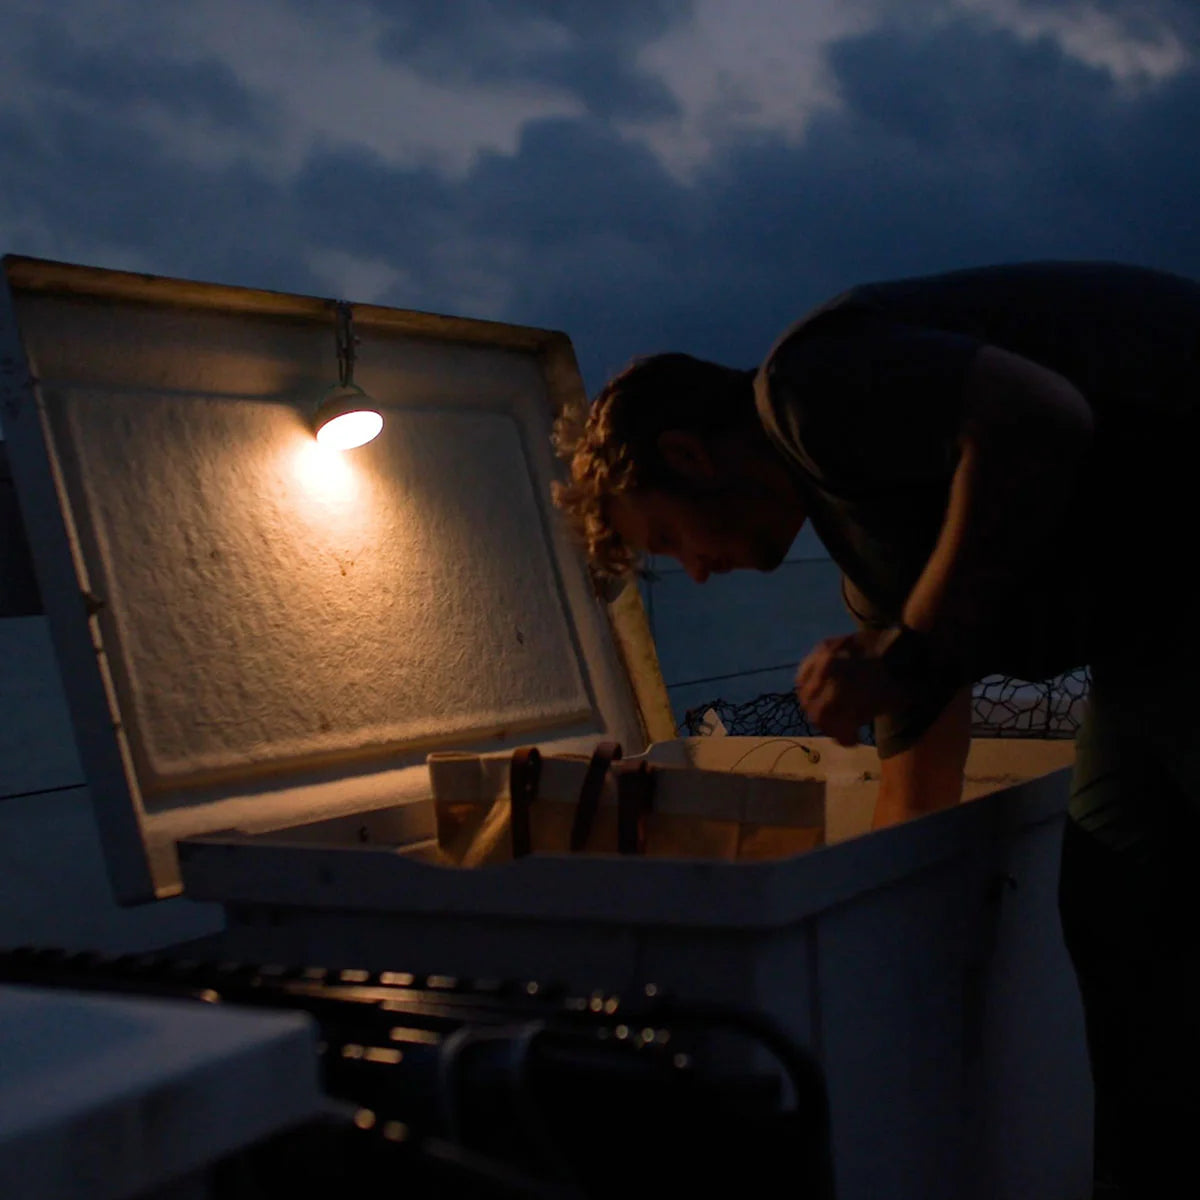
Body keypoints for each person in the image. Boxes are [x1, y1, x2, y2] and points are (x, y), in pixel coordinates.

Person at [551, 261, 1200, 1199]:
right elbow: (915, 788)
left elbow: (1039, 418)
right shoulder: (874, 571)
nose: (692, 574)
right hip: (1148, 644)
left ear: (691, 457)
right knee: (1113, 913)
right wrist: (868, 968)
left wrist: (912, 649)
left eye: (664, 539)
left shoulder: (805, 388)